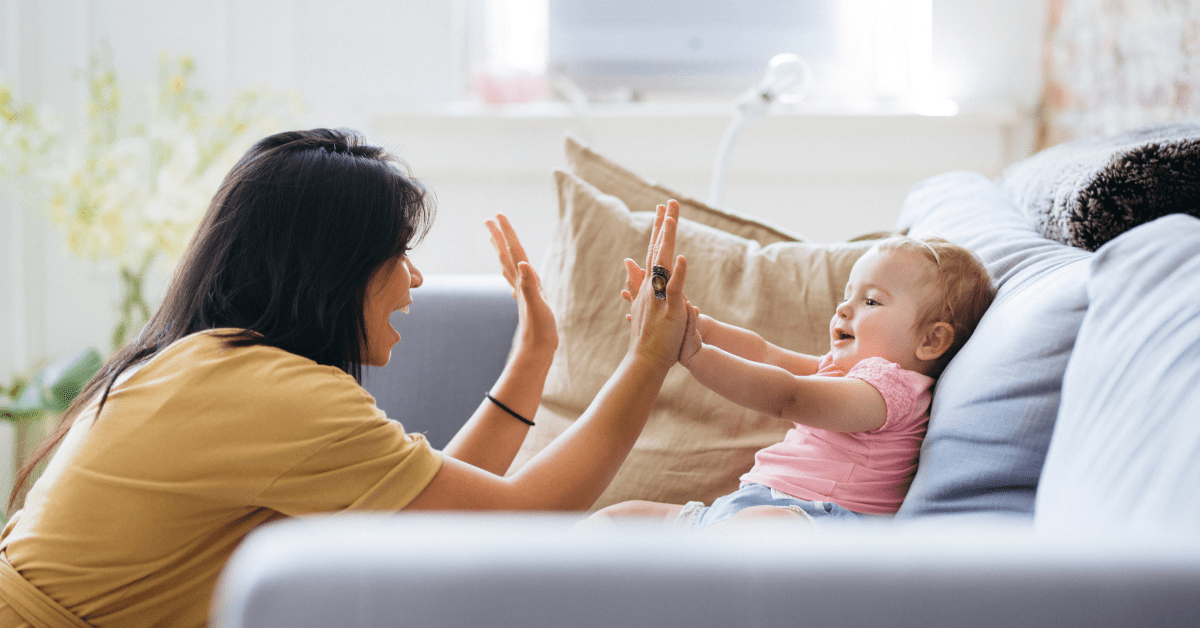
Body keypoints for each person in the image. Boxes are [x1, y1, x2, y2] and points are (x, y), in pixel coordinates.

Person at [0, 128, 691, 628]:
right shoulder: (267, 393)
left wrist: (536, 352)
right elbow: (521, 521)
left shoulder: (221, 366)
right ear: (330, 269)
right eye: (397, 255)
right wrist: (648, 361)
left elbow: (428, 520)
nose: (415, 279)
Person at [586, 201, 995, 531]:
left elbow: (789, 396)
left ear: (931, 340)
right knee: (617, 519)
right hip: (749, 506)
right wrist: (696, 323)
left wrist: (693, 354)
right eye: (848, 295)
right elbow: (764, 353)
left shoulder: (891, 392)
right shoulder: (843, 372)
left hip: (816, 523)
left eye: (871, 301)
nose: (844, 308)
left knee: (757, 529)